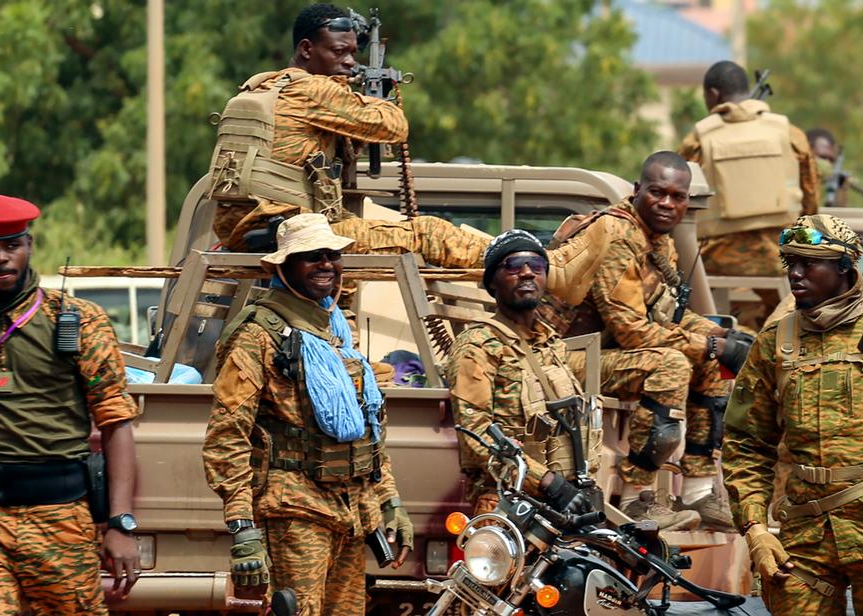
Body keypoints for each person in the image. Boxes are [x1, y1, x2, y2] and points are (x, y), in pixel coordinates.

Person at [721, 214, 863, 615]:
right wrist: (756, 528)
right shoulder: (776, 340)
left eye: (808, 262)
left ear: (845, 266)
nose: (795, 273)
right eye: (788, 262)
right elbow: (745, 443)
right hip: (803, 535)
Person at [0, 195, 141, 614]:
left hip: (62, 519)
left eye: (11, 246)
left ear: (30, 244)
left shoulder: (78, 322)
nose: (0, 259)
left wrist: (121, 523)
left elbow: (116, 423)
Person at [202, 213, 411, 616]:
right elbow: (227, 435)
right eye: (311, 256)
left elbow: (367, 431)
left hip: (352, 512)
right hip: (294, 512)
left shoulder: (335, 332)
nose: (326, 264)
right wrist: (242, 525)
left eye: (332, 254)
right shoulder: (258, 335)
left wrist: (389, 501)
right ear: (283, 267)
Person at [539, 151, 752, 532]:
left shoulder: (657, 239)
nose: (667, 203)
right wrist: (713, 346)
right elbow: (633, 332)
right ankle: (638, 499)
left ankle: (700, 491)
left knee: (711, 361)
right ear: (638, 191)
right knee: (672, 364)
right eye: (657, 192)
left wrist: (721, 337)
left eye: (677, 196)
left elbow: (665, 315)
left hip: (596, 354)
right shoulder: (619, 237)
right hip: (557, 361)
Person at [210, 3, 488, 269]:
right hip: (292, 232)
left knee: (348, 260)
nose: (350, 63)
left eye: (353, 53)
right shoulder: (314, 90)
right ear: (307, 49)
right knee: (428, 234)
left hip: (246, 227)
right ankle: (511, 256)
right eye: (339, 52)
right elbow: (393, 125)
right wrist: (371, 96)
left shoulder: (265, 87)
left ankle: (346, 319)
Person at [450, 230, 602, 516]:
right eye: (513, 266)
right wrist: (546, 482)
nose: (527, 273)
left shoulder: (551, 344)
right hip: (508, 501)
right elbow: (476, 435)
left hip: (565, 499)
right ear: (493, 281)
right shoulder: (478, 345)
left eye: (537, 266)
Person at [679, 60, 820, 330]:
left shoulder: (696, 141)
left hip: (714, 260)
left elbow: (679, 205)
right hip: (782, 257)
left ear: (713, 95)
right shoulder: (790, 135)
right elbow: (811, 201)